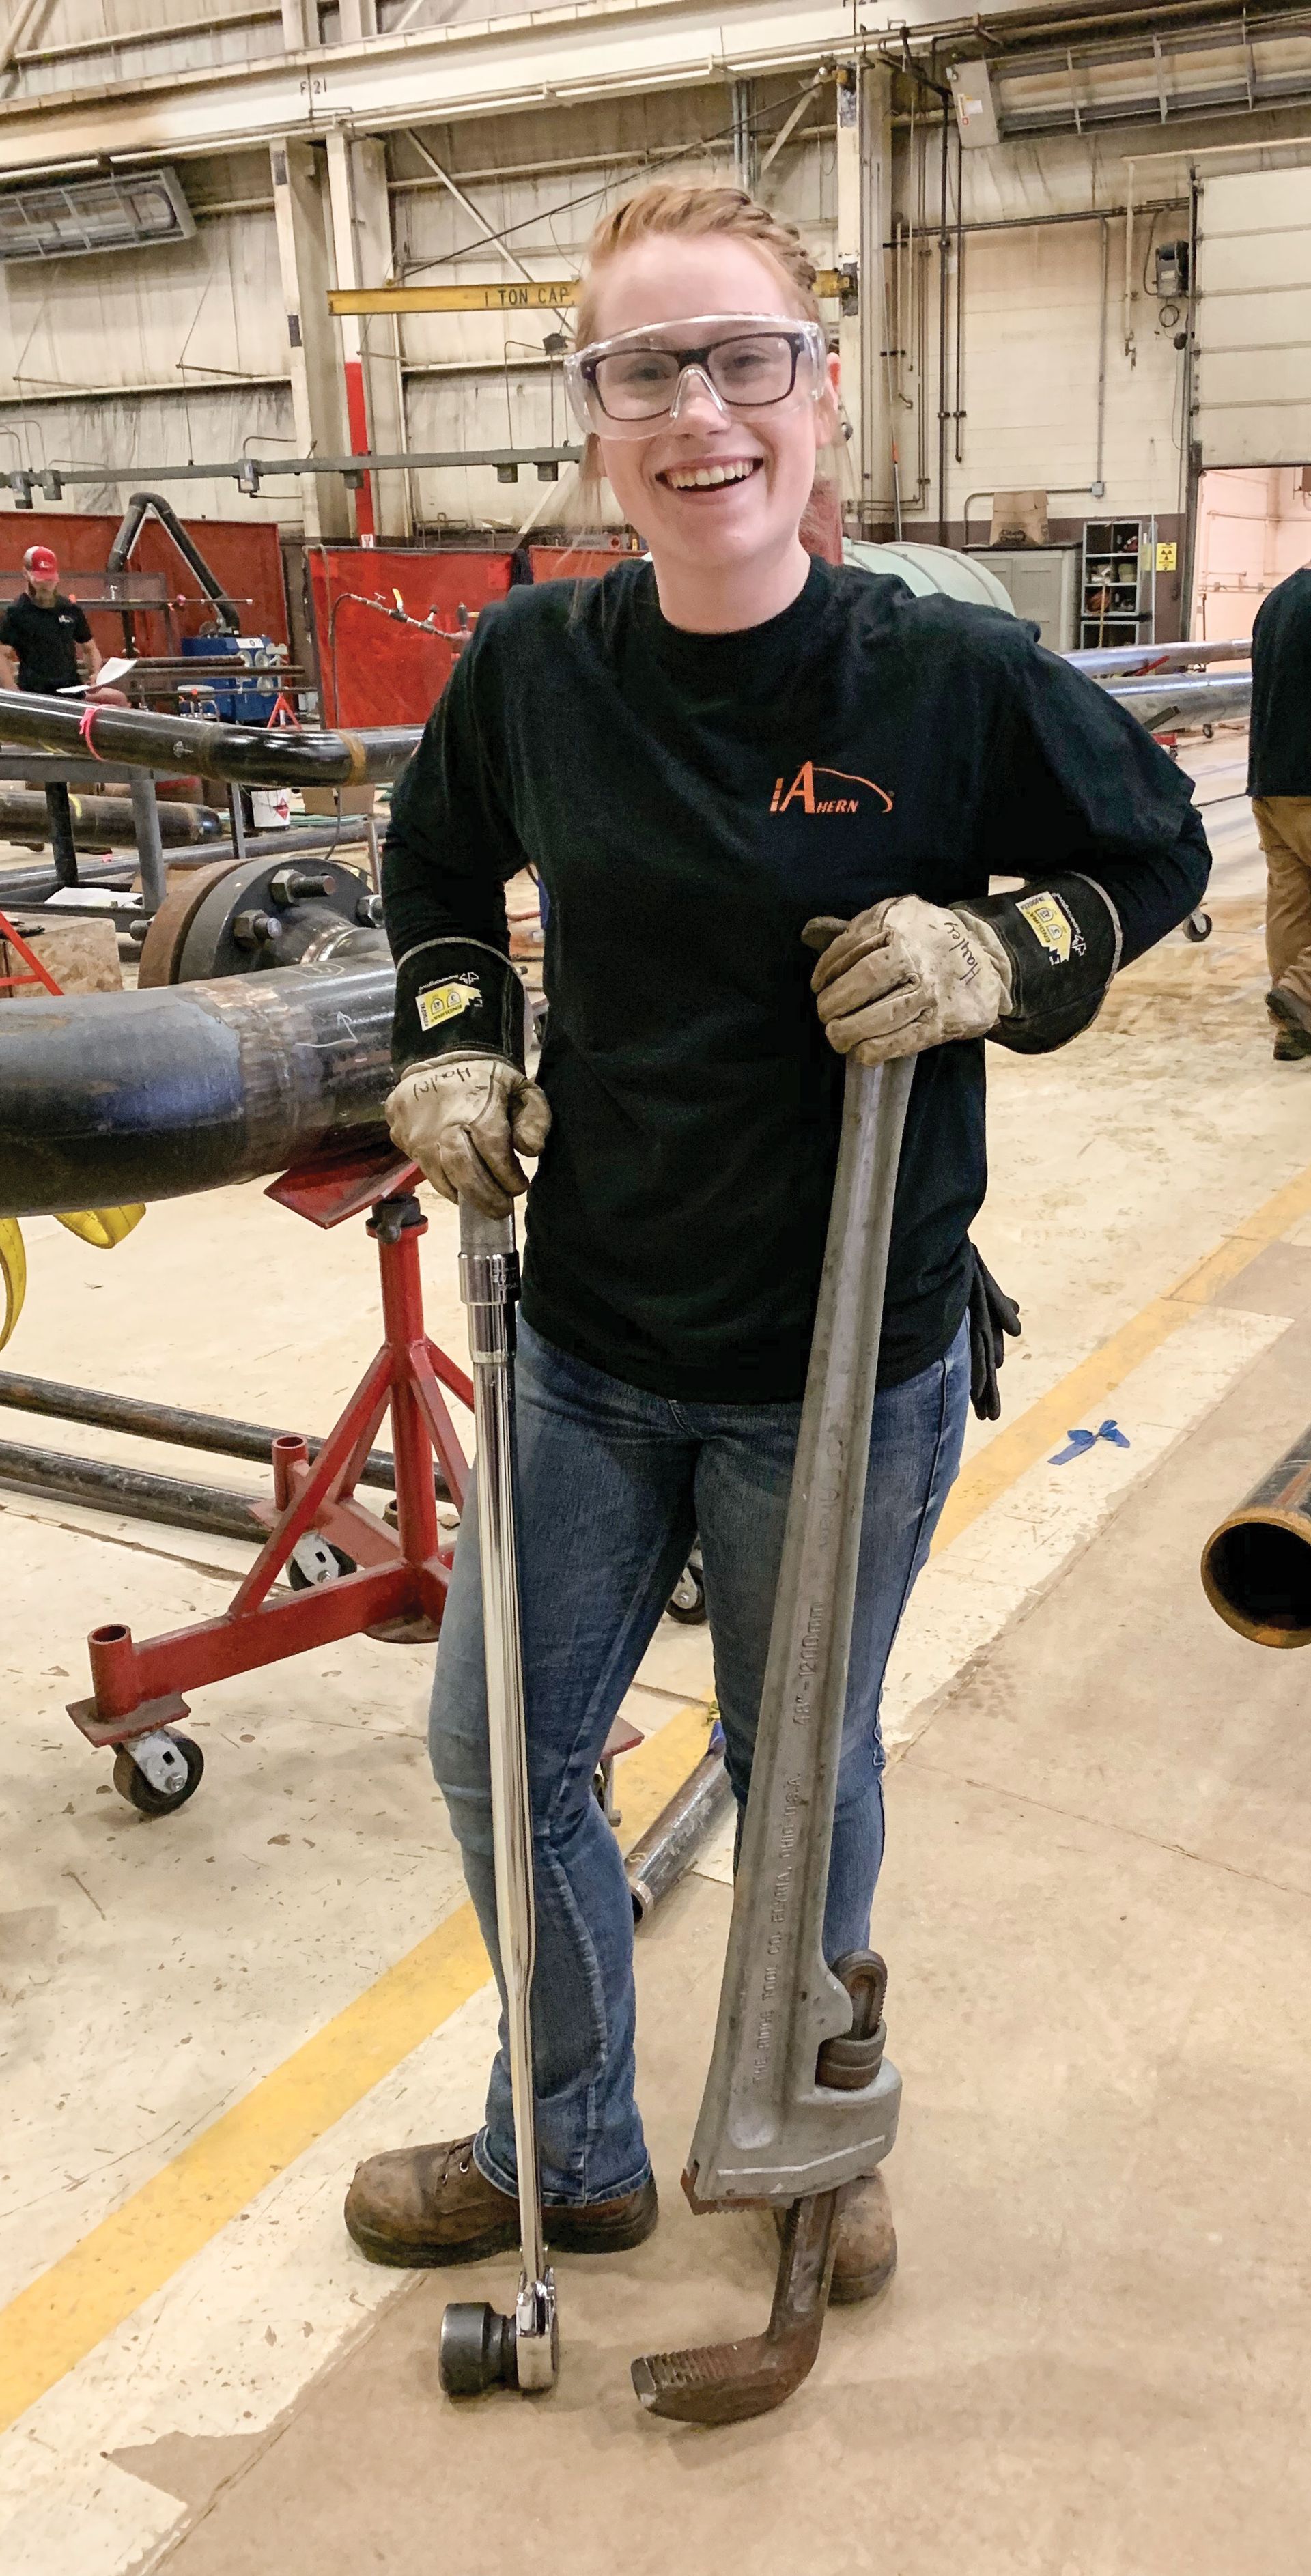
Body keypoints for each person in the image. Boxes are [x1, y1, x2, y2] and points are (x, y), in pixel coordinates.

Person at [345, 183, 1210, 2301]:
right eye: (645, 369)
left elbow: (1153, 849)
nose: (698, 411)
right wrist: (457, 1048)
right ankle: (570, 2141)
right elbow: (441, 871)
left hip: (842, 1346)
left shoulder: (947, 673)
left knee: (792, 1767)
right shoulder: (537, 667)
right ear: (593, 412)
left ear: (819, 392)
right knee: (498, 1746)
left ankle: (814, 2133)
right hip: (587, 1340)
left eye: (743, 359)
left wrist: (998, 946)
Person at [1248, 565, 1311, 1061]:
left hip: (1270, 779)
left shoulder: (1279, 600)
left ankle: (1292, 1031)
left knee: (1291, 904)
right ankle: (1303, 991)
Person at [0, 545, 101, 696]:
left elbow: (90, 648)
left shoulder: (69, 609)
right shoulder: (17, 612)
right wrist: (12, 689)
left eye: (50, 580)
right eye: (40, 581)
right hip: (37, 693)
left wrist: (95, 674)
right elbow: (3, 655)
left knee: (117, 699)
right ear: (26, 574)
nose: (46, 586)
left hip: (72, 689)